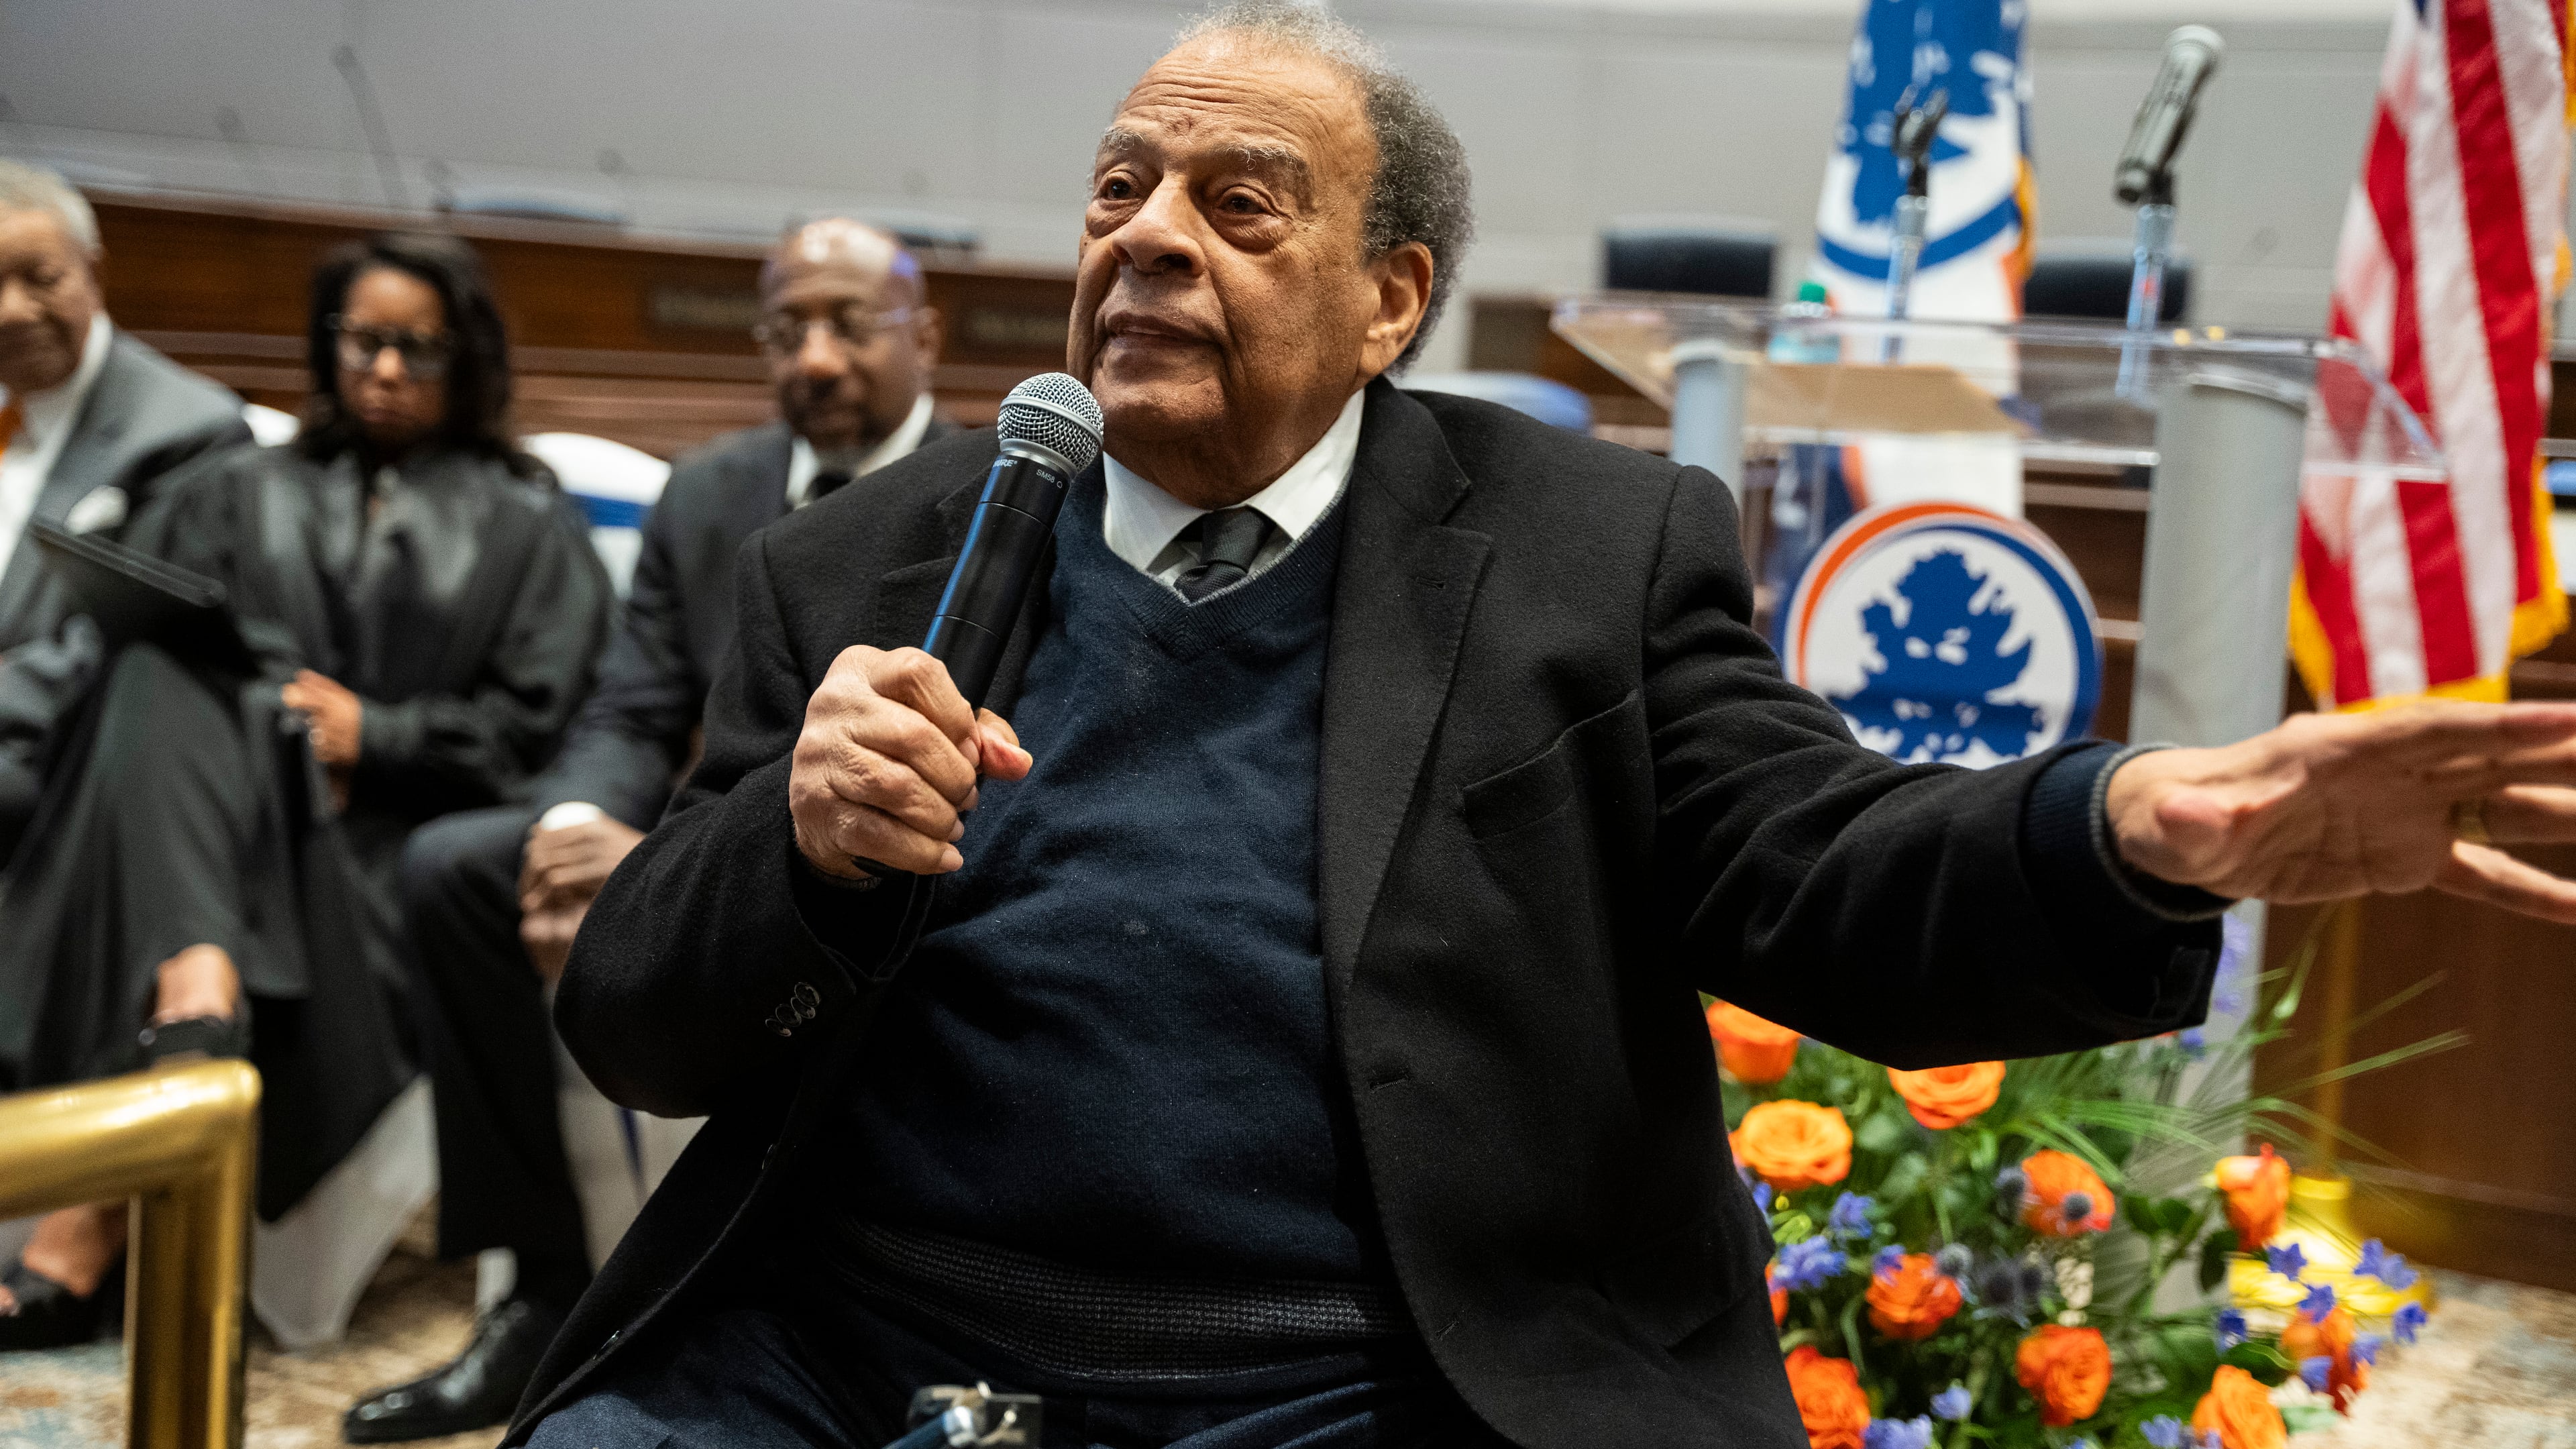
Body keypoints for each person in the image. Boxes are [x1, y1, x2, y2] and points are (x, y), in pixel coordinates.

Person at [518, 7, 2576, 1448]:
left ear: (1390, 299)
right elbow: (638, 1020)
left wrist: (2126, 825)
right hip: (848, 1349)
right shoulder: (870, 560)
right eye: (1116, 190)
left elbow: (1816, 871)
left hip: (1365, 1370)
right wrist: (786, 845)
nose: (1142, 234)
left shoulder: (1581, 553)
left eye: (1236, 205)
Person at [342, 218, 953, 1444]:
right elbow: (638, 703)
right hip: (690, 817)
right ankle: (536, 1285)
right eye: (788, 329)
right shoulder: (711, 488)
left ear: (923, 336)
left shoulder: (989, 492)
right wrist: (582, 825)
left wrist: (701, 872)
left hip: (883, 855)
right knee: (459, 865)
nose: (817, 357)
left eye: (850, 323)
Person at [0, 232, 611, 1350]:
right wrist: (271, 735)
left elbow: (549, 732)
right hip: (211, 828)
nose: (386, 371)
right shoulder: (233, 487)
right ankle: (199, 989)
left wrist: (370, 735)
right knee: (151, 669)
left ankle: (122, 1139)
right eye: (366, 341)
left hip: (374, 864)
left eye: (419, 351)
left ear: (466, 360)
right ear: (329, 346)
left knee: (175, 733)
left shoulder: (530, 521)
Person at [0, 160, 252, 855]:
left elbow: (126, 641)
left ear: (94, 271)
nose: (11, 311)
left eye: (40, 279)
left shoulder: (187, 430)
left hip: (59, 754)